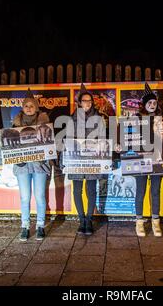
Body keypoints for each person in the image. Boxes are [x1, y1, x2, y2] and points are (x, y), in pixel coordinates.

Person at [134, 83, 163, 237]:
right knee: (140, 192)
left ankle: (155, 221)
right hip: (141, 160)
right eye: (149, 102)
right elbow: (128, 137)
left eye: (154, 102)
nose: (152, 105)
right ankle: (139, 222)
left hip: (158, 161)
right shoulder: (136, 118)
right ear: (144, 104)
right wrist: (121, 145)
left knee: (155, 191)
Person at [64, 84, 106, 236]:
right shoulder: (71, 119)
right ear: (79, 103)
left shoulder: (99, 119)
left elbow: (102, 139)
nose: (87, 103)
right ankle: (81, 219)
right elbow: (68, 139)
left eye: (89, 101)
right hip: (76, 160)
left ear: (92, 103)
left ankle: (89, 219)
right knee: (77, 190)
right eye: (84, 101)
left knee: (90, 190)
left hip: (92, 160)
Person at [12, 95, 51, 241]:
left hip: (39, 164)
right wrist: (17, 158)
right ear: (22, 108)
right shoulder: (15, 124)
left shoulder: (45, 123)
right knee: (25, 197)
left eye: (31, 106)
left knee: (40, 196)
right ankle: (25, 226)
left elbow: (49, 144)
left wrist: (43, 157)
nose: (29, 108)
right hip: (22, 165)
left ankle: (40, 225)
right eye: (26, 106)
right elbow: (12, 145)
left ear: (36, 107)